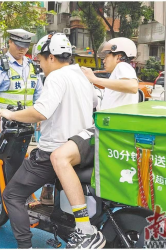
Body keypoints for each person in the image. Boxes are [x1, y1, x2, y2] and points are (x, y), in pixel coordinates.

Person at [0, 33, 104, 249]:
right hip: (80, 147)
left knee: (12, 195)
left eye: (41, 60)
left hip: (54, 151)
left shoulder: (56, 76)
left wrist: (9, 114)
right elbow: (94, 101)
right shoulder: (80, 75)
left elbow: (41, 111)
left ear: (51, 57)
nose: (41, 66)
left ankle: (25, 245)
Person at [49, 37, 138, 248]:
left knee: (59, 157)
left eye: (107, 55)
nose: (103, 59)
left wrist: (94, 78)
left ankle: (84, 228)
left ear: (120, 55)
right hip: (110, 135)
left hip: (106, 135)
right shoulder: (113, 77)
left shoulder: (123, 67)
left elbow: (132, 86)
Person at [0, 29, 53, 205]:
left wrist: (37, 117)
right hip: (3, 124)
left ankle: (15, 197)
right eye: (19, 45)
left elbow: (38, 93)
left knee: (19, 162)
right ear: (10, 43)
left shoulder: (31, 65)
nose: (22, 50)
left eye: (26, 46)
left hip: (23, 124)